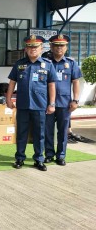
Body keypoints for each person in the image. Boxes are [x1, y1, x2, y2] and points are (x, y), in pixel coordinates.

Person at [6, 35, 57, 171]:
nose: (32, 49)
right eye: (30, 47)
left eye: (35, 47)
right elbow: (12, 82)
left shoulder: (48, 64)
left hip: (40, 105)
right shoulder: (19, 64)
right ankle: (20, 158)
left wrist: (52, 103)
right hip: (22, 105)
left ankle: (39, 159)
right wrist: (8, 98)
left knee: (39, 133)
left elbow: (52, 85)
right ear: (25, 49)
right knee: (21, 133)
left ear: (41, 48)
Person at [44, 34, 82, 166]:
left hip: (65, 103)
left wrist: (76, 100)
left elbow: (76, 82)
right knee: (47, 130)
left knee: (63, 131)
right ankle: (49, 154)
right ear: (51, 46)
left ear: (66, 47)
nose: (59, 48)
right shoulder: (45, 62)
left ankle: (61, 156)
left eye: (62, 45)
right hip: (47, 102)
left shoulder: (71, 63)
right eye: (56, 45)